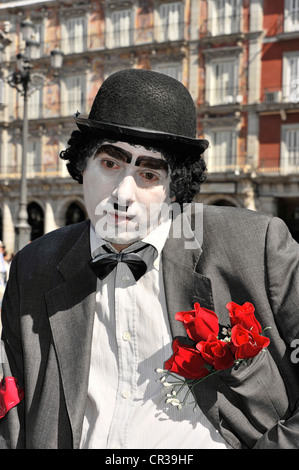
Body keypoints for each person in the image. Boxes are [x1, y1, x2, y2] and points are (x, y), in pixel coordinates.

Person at [0, 68, 299, 449]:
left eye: (148, 174)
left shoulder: (255, 245)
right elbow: (12, 407)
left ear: (175, 187)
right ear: (81, 164)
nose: (124, 193)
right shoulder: (34, 266)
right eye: (110, 164)